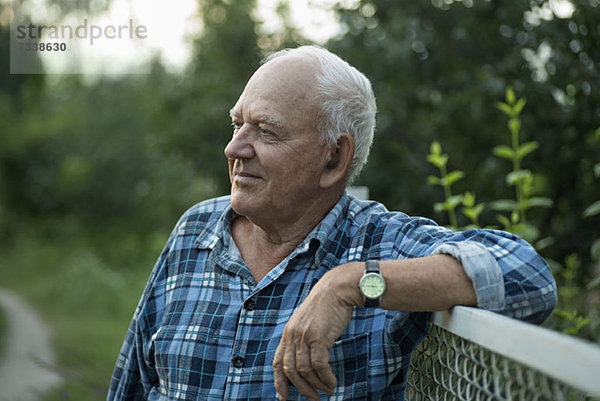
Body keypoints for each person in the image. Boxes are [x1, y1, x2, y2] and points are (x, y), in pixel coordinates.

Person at [107, 45, 557, 401]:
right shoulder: (195, 230)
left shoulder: (378, 242)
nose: (234, 149)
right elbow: (129, 385)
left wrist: (353, 284)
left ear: (334, 158)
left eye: (266, 131)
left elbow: (528, 276)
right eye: (236, 125)